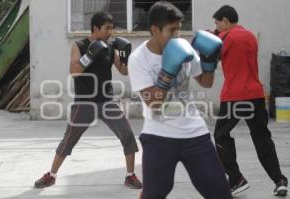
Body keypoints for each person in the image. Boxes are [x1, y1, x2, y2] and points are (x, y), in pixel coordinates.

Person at [128, 1, 232, 198]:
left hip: (195, 133)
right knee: (154, 194)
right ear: (154, 30)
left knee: (219, 190)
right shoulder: (139, 58)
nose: (177, 35)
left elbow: (206, 82)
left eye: (179, 29)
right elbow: (153, 103)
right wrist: (167, 72)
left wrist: (210, 61)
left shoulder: (184, 47)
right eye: (172, 30)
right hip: (159, 136)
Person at [34, 11, 142, 189]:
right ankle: (51, 175)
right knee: (69, 139)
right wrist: (90, 55)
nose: (111, 32)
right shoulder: (79, 45)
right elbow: (74, 71)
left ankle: (130, 176)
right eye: (107, 28)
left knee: (128, 134)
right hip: (84, 102)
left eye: (112, 28)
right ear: (96, 28)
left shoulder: (111, 47)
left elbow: (124, 71)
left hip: (108, 100)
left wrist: (126, 56)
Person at [212, 5, 288, 197]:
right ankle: (279, 180)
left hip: (234, 97)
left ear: (226, 20)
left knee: (221, 136)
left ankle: (236, 179)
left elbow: (210, 55)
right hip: (255, 95)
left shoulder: (226, 38)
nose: (216, 26)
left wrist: (207, 38)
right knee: (262, 138)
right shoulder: (250, 36)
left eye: (217, 22)